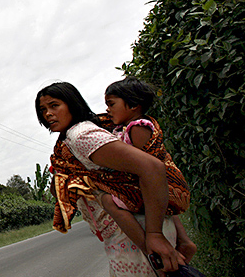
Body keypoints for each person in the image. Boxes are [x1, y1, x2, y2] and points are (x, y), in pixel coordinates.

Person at [36, 81, 185, 276]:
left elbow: (152, 167)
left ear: (73, 104)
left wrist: (154, 236)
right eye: (43, 109)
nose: (48, 114)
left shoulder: (81, 135)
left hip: (137, 235)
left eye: (54, 105)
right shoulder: (78, 137)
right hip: (133, 234)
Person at [101, 77, 196, 263]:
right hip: (163, 187)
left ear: (134, 105)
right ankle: (184, 241)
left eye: (111, 104)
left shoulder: (138, 128)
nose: (107, 109)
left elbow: (147, 166)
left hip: (160, 184)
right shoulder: (127, 127)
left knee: (108, 201)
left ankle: (150, 248)